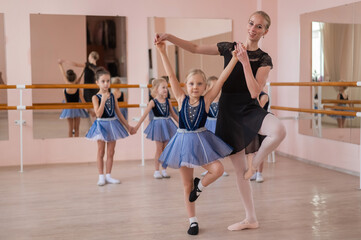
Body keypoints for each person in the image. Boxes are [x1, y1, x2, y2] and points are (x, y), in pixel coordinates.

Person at [155, 10, 286, 231]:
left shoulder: (264, 59)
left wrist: (244, 62)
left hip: (250, 108)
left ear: (266, 31)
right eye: (251, 23)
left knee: (279, 130)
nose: (253, 29)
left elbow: (255, 92)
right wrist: (169, 37)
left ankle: (256, 164)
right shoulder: (229, 47)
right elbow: (195, 48)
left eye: (259, 26)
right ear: (247, 24)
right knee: (239, 170)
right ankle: (250, 218)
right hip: (229, 113)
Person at [155, 40, 238, 235]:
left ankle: (199, 186)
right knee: (185, 185)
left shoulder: (207, 100)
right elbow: (171, 75)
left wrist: (234, 59)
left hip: (202, 142)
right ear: (186, 84)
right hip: (182, 144)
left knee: (218, 169)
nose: (195, 87)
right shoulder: (181, 98)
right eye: (191, 83)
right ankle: (192, 221)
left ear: (204, 87)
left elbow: (222, 80)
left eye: (199, 84)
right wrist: (162, 51)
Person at [86, 68, 134, 186]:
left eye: (108, 81)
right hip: (101, 125)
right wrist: (103, 100)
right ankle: (101, 176)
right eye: (103, 81)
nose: (106, 83)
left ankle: (108, 175)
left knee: (111, 152)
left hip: (113, 125)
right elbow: (98, 114)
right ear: (97, 82)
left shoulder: (113, 96)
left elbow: (118, 112)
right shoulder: (95, 97)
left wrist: (128, 126)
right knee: (101, 151)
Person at [132, 78, 179, 179]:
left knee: (166, 148)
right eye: (163, 87)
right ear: (157, 89)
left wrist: (183, 124)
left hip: (167, 125)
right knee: (159, 149)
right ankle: (157, 171)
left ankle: (164, 169)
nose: (166, 89)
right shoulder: (153, 102)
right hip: (158, 126)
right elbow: (144, 115)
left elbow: (174, 115)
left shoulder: (168, 101)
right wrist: (137, 126)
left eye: (166, 87)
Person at [202, 76, 229, 177]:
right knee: (209, 147)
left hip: (219, 125)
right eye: (213, 87)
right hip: (208, 125)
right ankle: (210, 167)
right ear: (208, 89)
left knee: (218, 147)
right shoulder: (206, 101)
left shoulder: (223, 101)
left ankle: (220, 168)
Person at [63, 51, 100, 120]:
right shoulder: (96, 68)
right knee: (94, 108)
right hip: (95, 89)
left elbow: (76, 64)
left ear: (91, 57)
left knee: (91, 109)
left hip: (88, 90)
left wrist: (65, 61)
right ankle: (94, 128)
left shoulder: (88, 65)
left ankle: (94, 128)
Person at [58, 59, 89, 137]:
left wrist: (60, 64)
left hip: (68, 108)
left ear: (67, 78)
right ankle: (76, 142)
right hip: (77, 108)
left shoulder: (66, 87)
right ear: (75, 78)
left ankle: (70, 142)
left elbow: (63, 74)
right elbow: (83, 100)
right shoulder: (77, 88)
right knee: (77, 129)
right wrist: (88, 108)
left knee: (70, 129)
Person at [245, 91, 269, 183]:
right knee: (250, 151)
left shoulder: (264, 96)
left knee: (259, 151)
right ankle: (253, 171)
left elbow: (257, 108)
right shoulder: (247, 95)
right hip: (250, 126)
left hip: (261, 126)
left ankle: (259, 173)